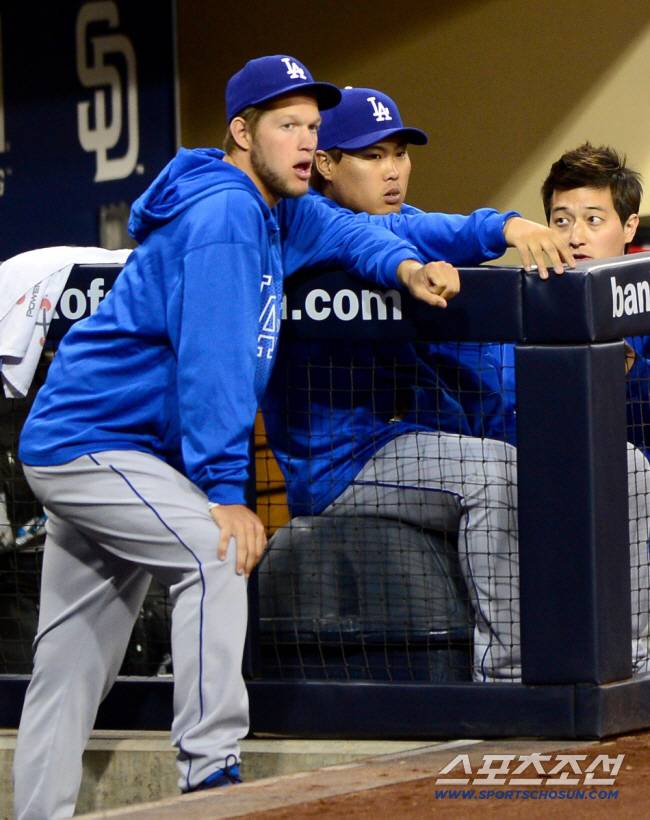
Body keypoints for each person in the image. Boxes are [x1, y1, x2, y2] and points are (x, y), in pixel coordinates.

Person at [11, 55, 473, 819]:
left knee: (67, 662)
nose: (304, 141)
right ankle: (210, 779)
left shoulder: (278, 206)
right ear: (241, 130)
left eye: (312, 127)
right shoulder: (223, 214)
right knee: (218, 552)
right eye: (286, 124)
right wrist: (225, 495)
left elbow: (356, 233)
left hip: (111, 449)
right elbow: (213, 367)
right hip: (92, 443)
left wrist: (407, 262)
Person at [262, 92, 650, 683]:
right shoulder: (306, 225)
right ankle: (508, 674)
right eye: (372, 155)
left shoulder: (405, 225)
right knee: (494, 474)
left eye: (400, 153)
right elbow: (385, 238)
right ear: (327, 164)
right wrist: (491, 233)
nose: (394, 169)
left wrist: (508, 227)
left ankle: (635, 659)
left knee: (624, 464)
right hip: (339, 465)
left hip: (416, 446)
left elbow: (434, 230)